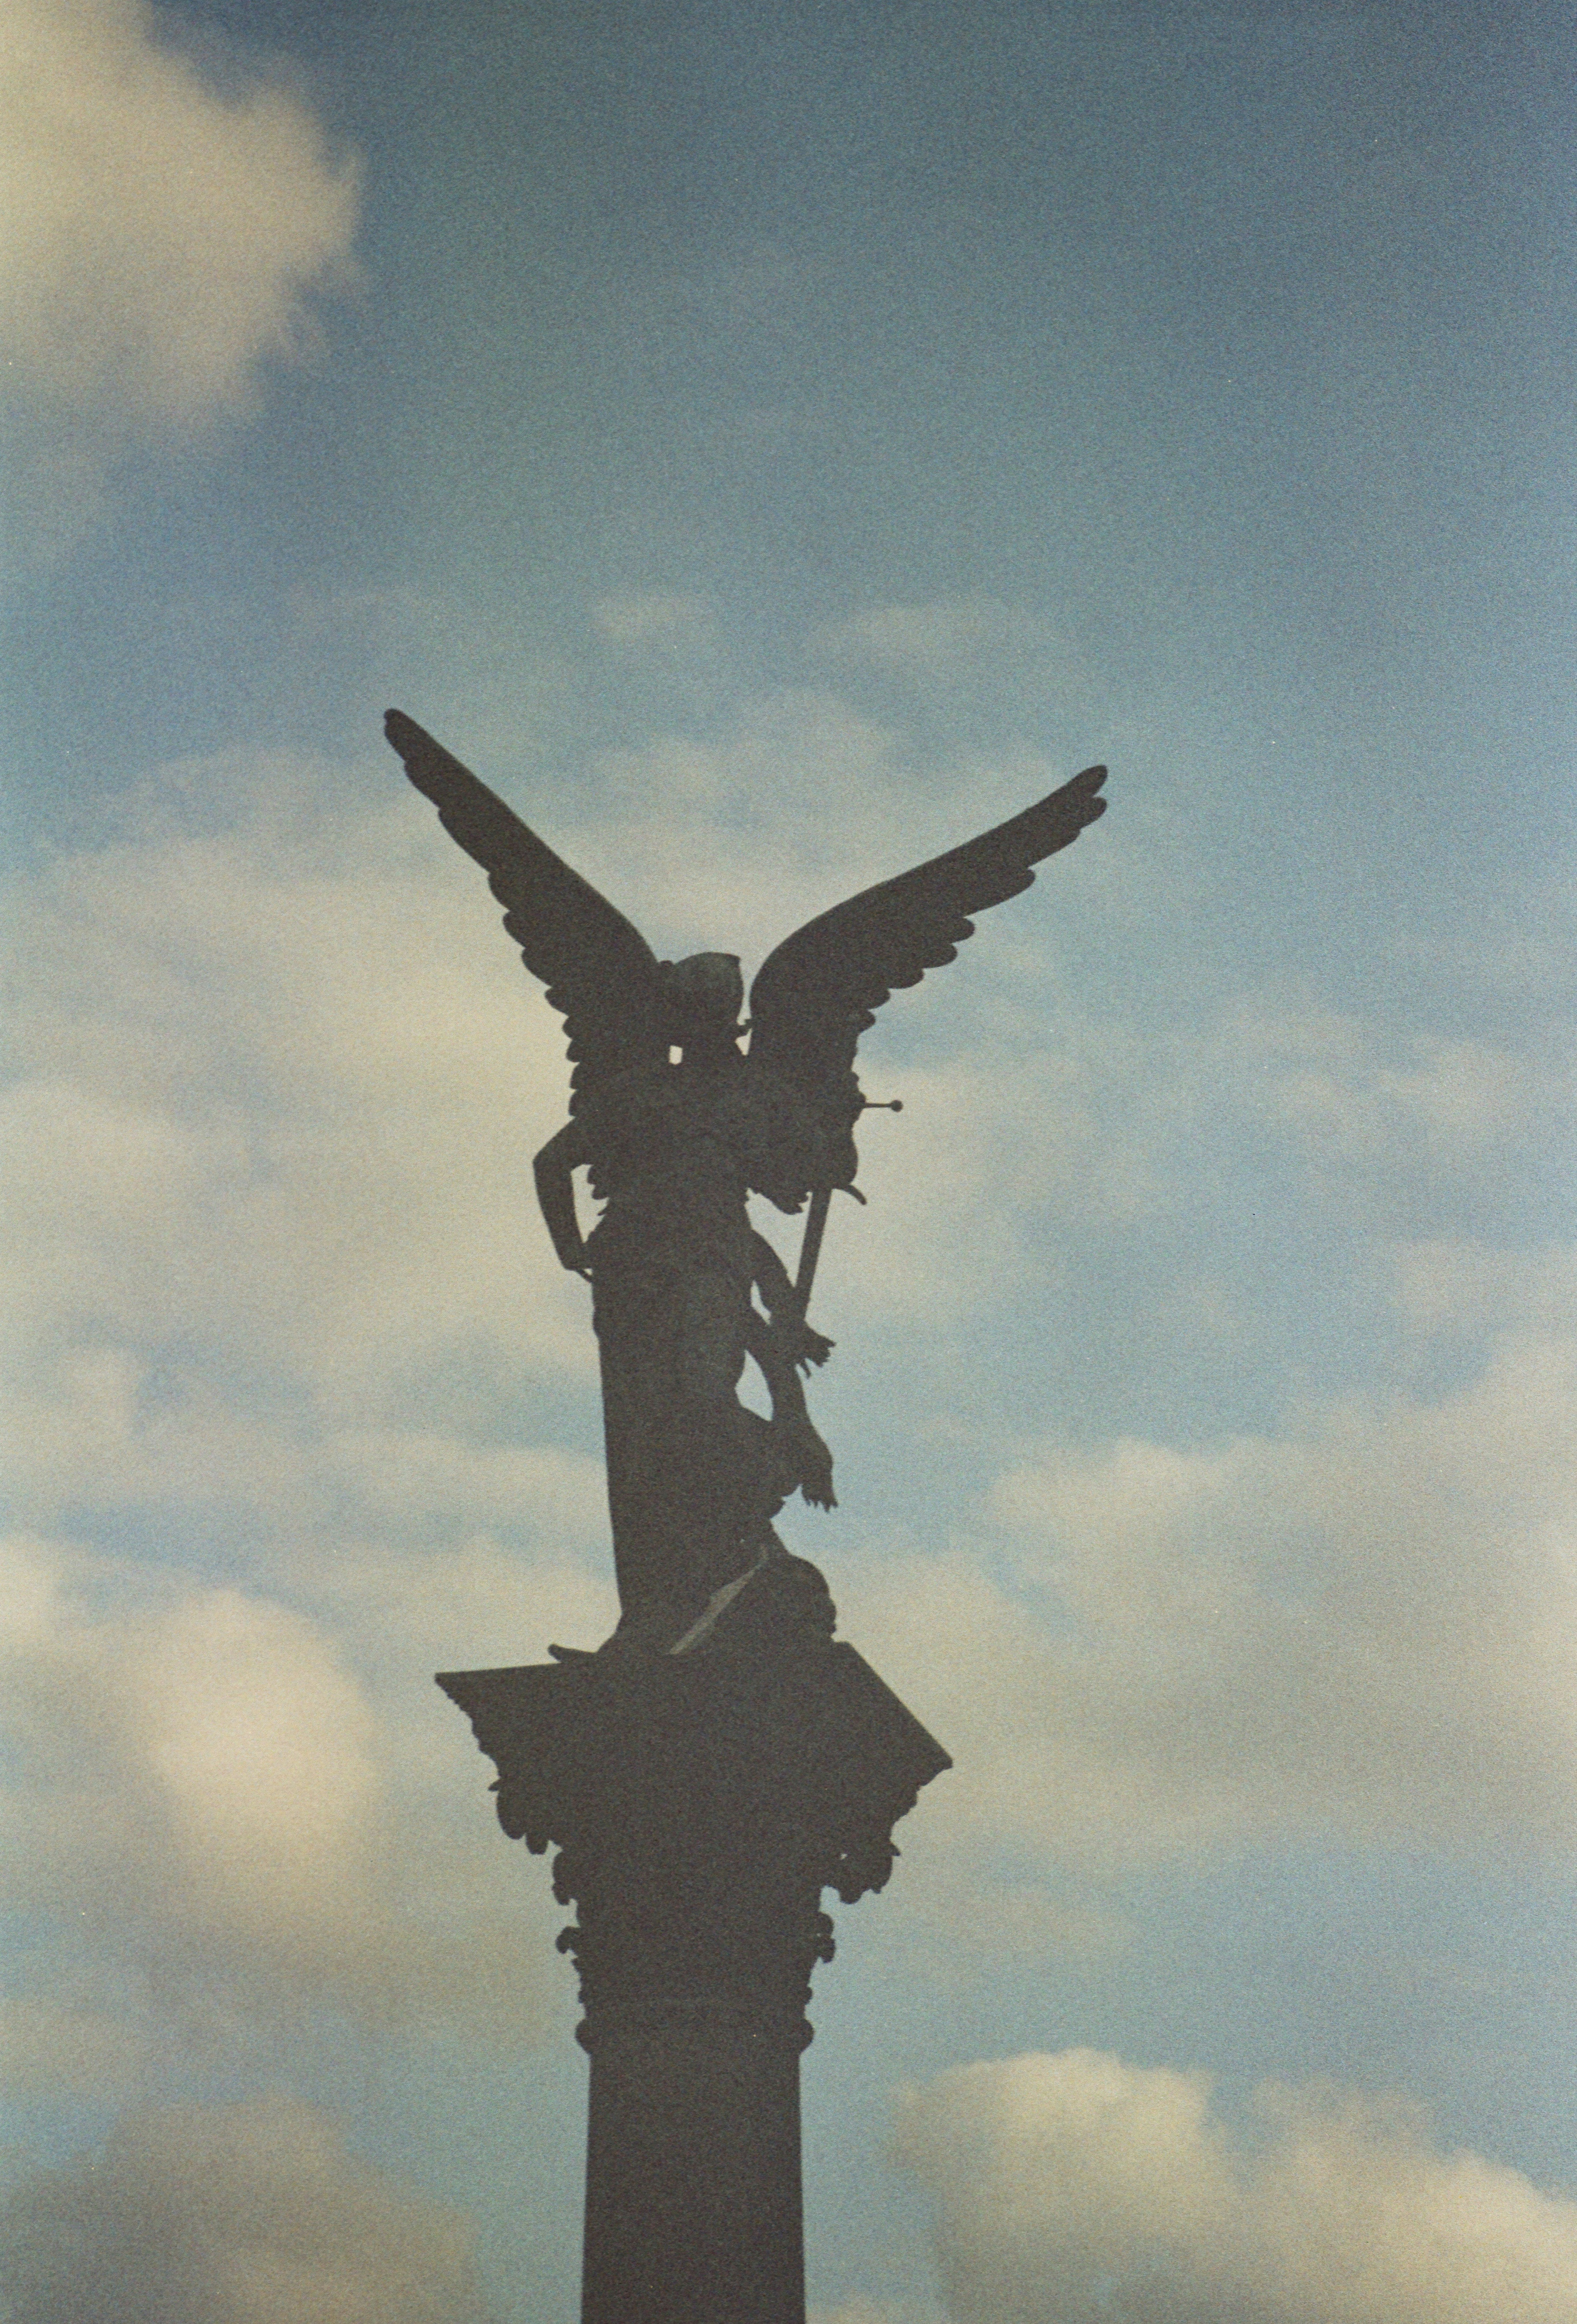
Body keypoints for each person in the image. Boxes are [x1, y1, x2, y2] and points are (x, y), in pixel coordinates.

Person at [532, 953, 835, 1637]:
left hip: (711, 1262)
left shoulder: (753, 1094)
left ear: (726, 1017)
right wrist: (572, 1248)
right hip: (633, 1271)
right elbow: (551, 1163)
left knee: (699, 1400)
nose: (694, 1030)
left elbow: (796, 1180)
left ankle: (756, 1492)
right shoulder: (640, 1094)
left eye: (704, 1017)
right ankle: (654, 1609)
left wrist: (826, 1147)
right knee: (641, 1443)